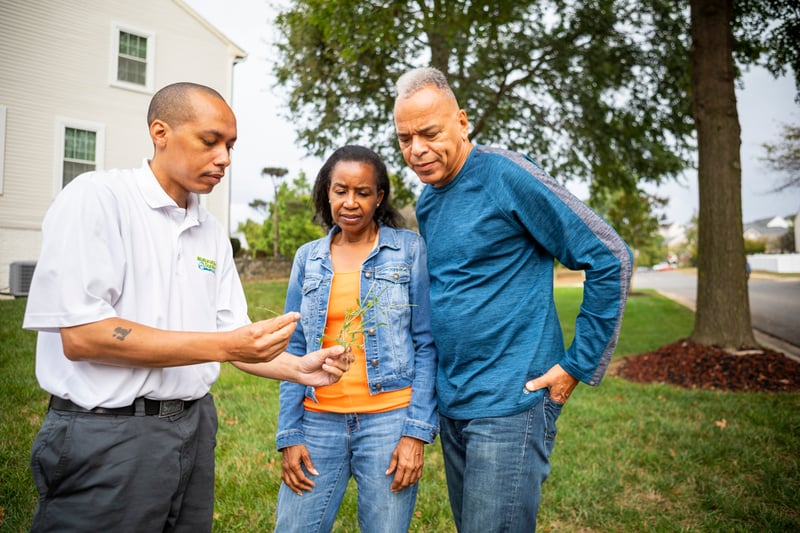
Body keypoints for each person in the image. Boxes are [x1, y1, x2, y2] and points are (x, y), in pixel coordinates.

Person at [22, 82, 348, 533]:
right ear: (161, 132)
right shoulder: (98, 199)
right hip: (110, 434)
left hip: (193, 428)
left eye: (230, 146)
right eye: (210, 141)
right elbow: (83, 336)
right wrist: (224, 344)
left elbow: (234, 336)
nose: (225, 159)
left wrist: (298, 368)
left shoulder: (210, 231)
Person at [393, 67, 633, 531]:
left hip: (512, 403)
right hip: (455, 403)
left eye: (429, 132)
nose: (416, 149)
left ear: (462, 122)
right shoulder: (428, 200)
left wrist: (577, 365)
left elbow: (609, 256)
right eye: (404, 139)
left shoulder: (505, 173)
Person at [274, 145, 438, 533]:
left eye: (363, 192)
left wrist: (415, 432)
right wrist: (290, 433)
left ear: (378, 197)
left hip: (389, 421)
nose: (351, 202)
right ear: (326, 193)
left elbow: (427, 344)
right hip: (317, 423)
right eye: (341, 190)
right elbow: (294, 348)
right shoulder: (307, 259)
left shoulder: (409, 251)